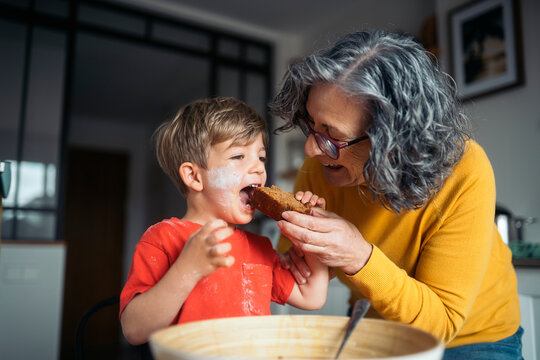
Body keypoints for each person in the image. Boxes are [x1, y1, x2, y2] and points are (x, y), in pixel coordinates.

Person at [269, 30, 522, 360]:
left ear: (392, 142)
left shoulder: (465, 170)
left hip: (476, 338)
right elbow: (291, 267)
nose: (310, 149)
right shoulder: (321, 167)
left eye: (332, 137)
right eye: (311, 124)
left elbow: (442, 323)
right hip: (375, 324)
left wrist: (357, 256)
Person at [120, 97, 328, 345]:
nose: (259, 168)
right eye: (239, 156)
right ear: (194, 176)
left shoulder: (259, 247)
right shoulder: (163, 238)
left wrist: (313, 234)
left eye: (261, 157)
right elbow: (134, 330)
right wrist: (189, 269)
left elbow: (312, 296)